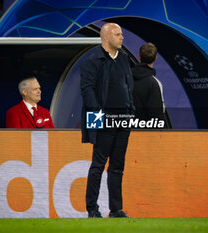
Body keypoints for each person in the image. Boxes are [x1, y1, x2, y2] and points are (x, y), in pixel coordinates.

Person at [80, 22, 134, 218]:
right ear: (106, 38)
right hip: (101, 117)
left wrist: (131, 111)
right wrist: (97, 114)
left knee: (117, 165)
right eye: (118, 34)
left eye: (121, 34)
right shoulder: (92, 60)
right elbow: (87, 90)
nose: (122, 37)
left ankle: (116, 209)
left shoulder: (124, 59)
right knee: (98, 164)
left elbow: (129, 87)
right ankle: (92, 209)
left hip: (123, 118)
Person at [131, 42, 170, 128]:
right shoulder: (154, 83)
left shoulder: (125, 79)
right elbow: (157, 115)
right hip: (147, 135)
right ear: (155, 58)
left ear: (139, 57)